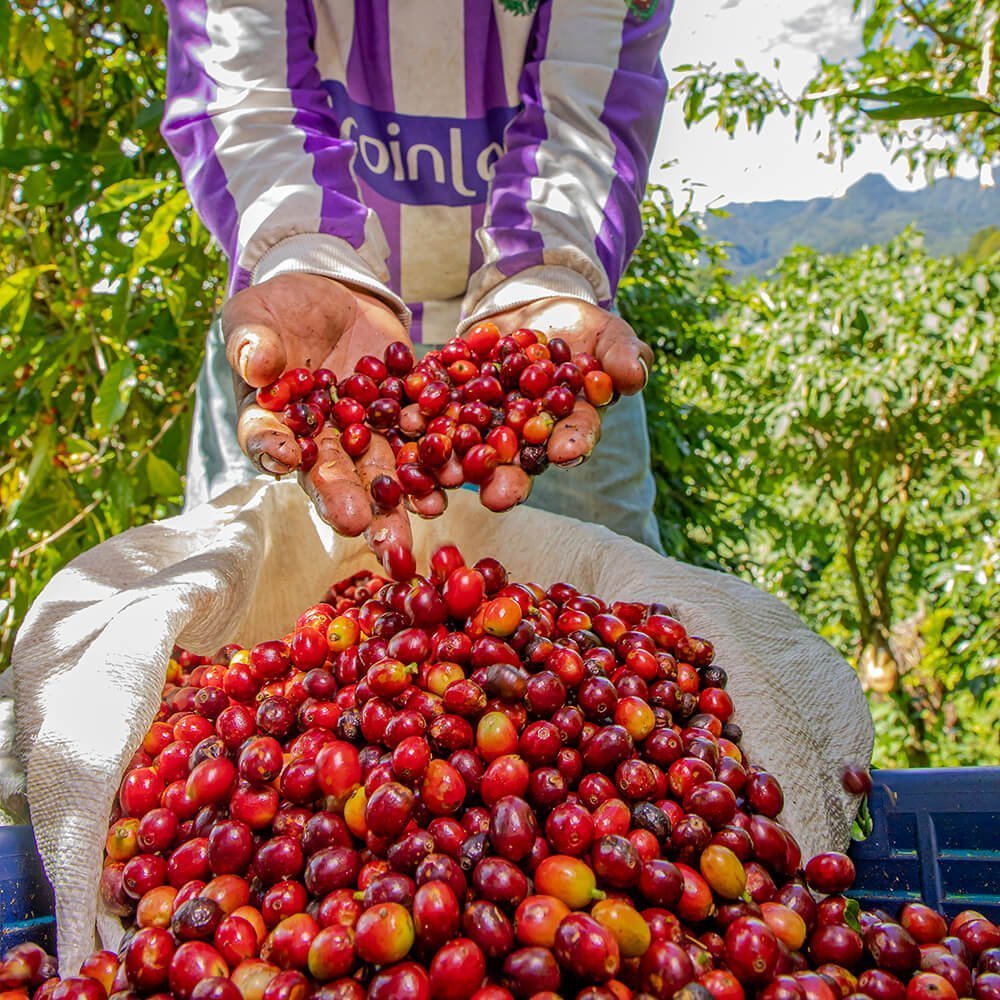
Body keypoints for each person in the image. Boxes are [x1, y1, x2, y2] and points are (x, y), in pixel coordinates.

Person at [163, 0, 671, 568]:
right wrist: (302, 249)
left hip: (546, 309)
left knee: (613, 572)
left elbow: (589, 106)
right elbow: (245, 89)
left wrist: (546, 268)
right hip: (302, 315)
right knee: (245, 569)